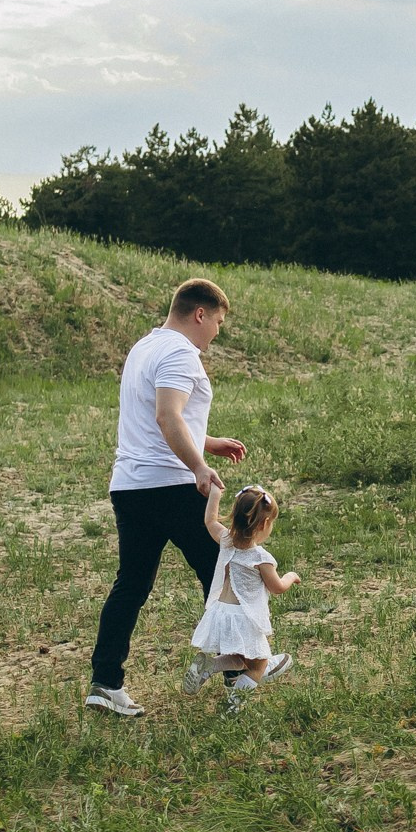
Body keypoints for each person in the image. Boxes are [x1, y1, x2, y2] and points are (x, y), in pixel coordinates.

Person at [85, 278, 248, 717]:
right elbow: (166, 415)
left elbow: (158, 419)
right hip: (172, 485)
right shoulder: (180, 352)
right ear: (199, 314)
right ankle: (240, 672)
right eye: (217, 321)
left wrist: (208, 443)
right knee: (225, 573)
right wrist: (198, 467)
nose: (216, 331)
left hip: (131, 486)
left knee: (132, 584)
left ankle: (105, 682)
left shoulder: (144, 348)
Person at [186, 483, 300, 710]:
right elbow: (277, 587)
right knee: (259, 665)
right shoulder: (260, 557)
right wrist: (290, 576)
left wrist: (215, 494)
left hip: (221, 612)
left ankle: (209, 665)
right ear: (264, 524)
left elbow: (209, 520)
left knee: (240, 659)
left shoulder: (226, 540)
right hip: (243, 618)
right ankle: (234, 704)